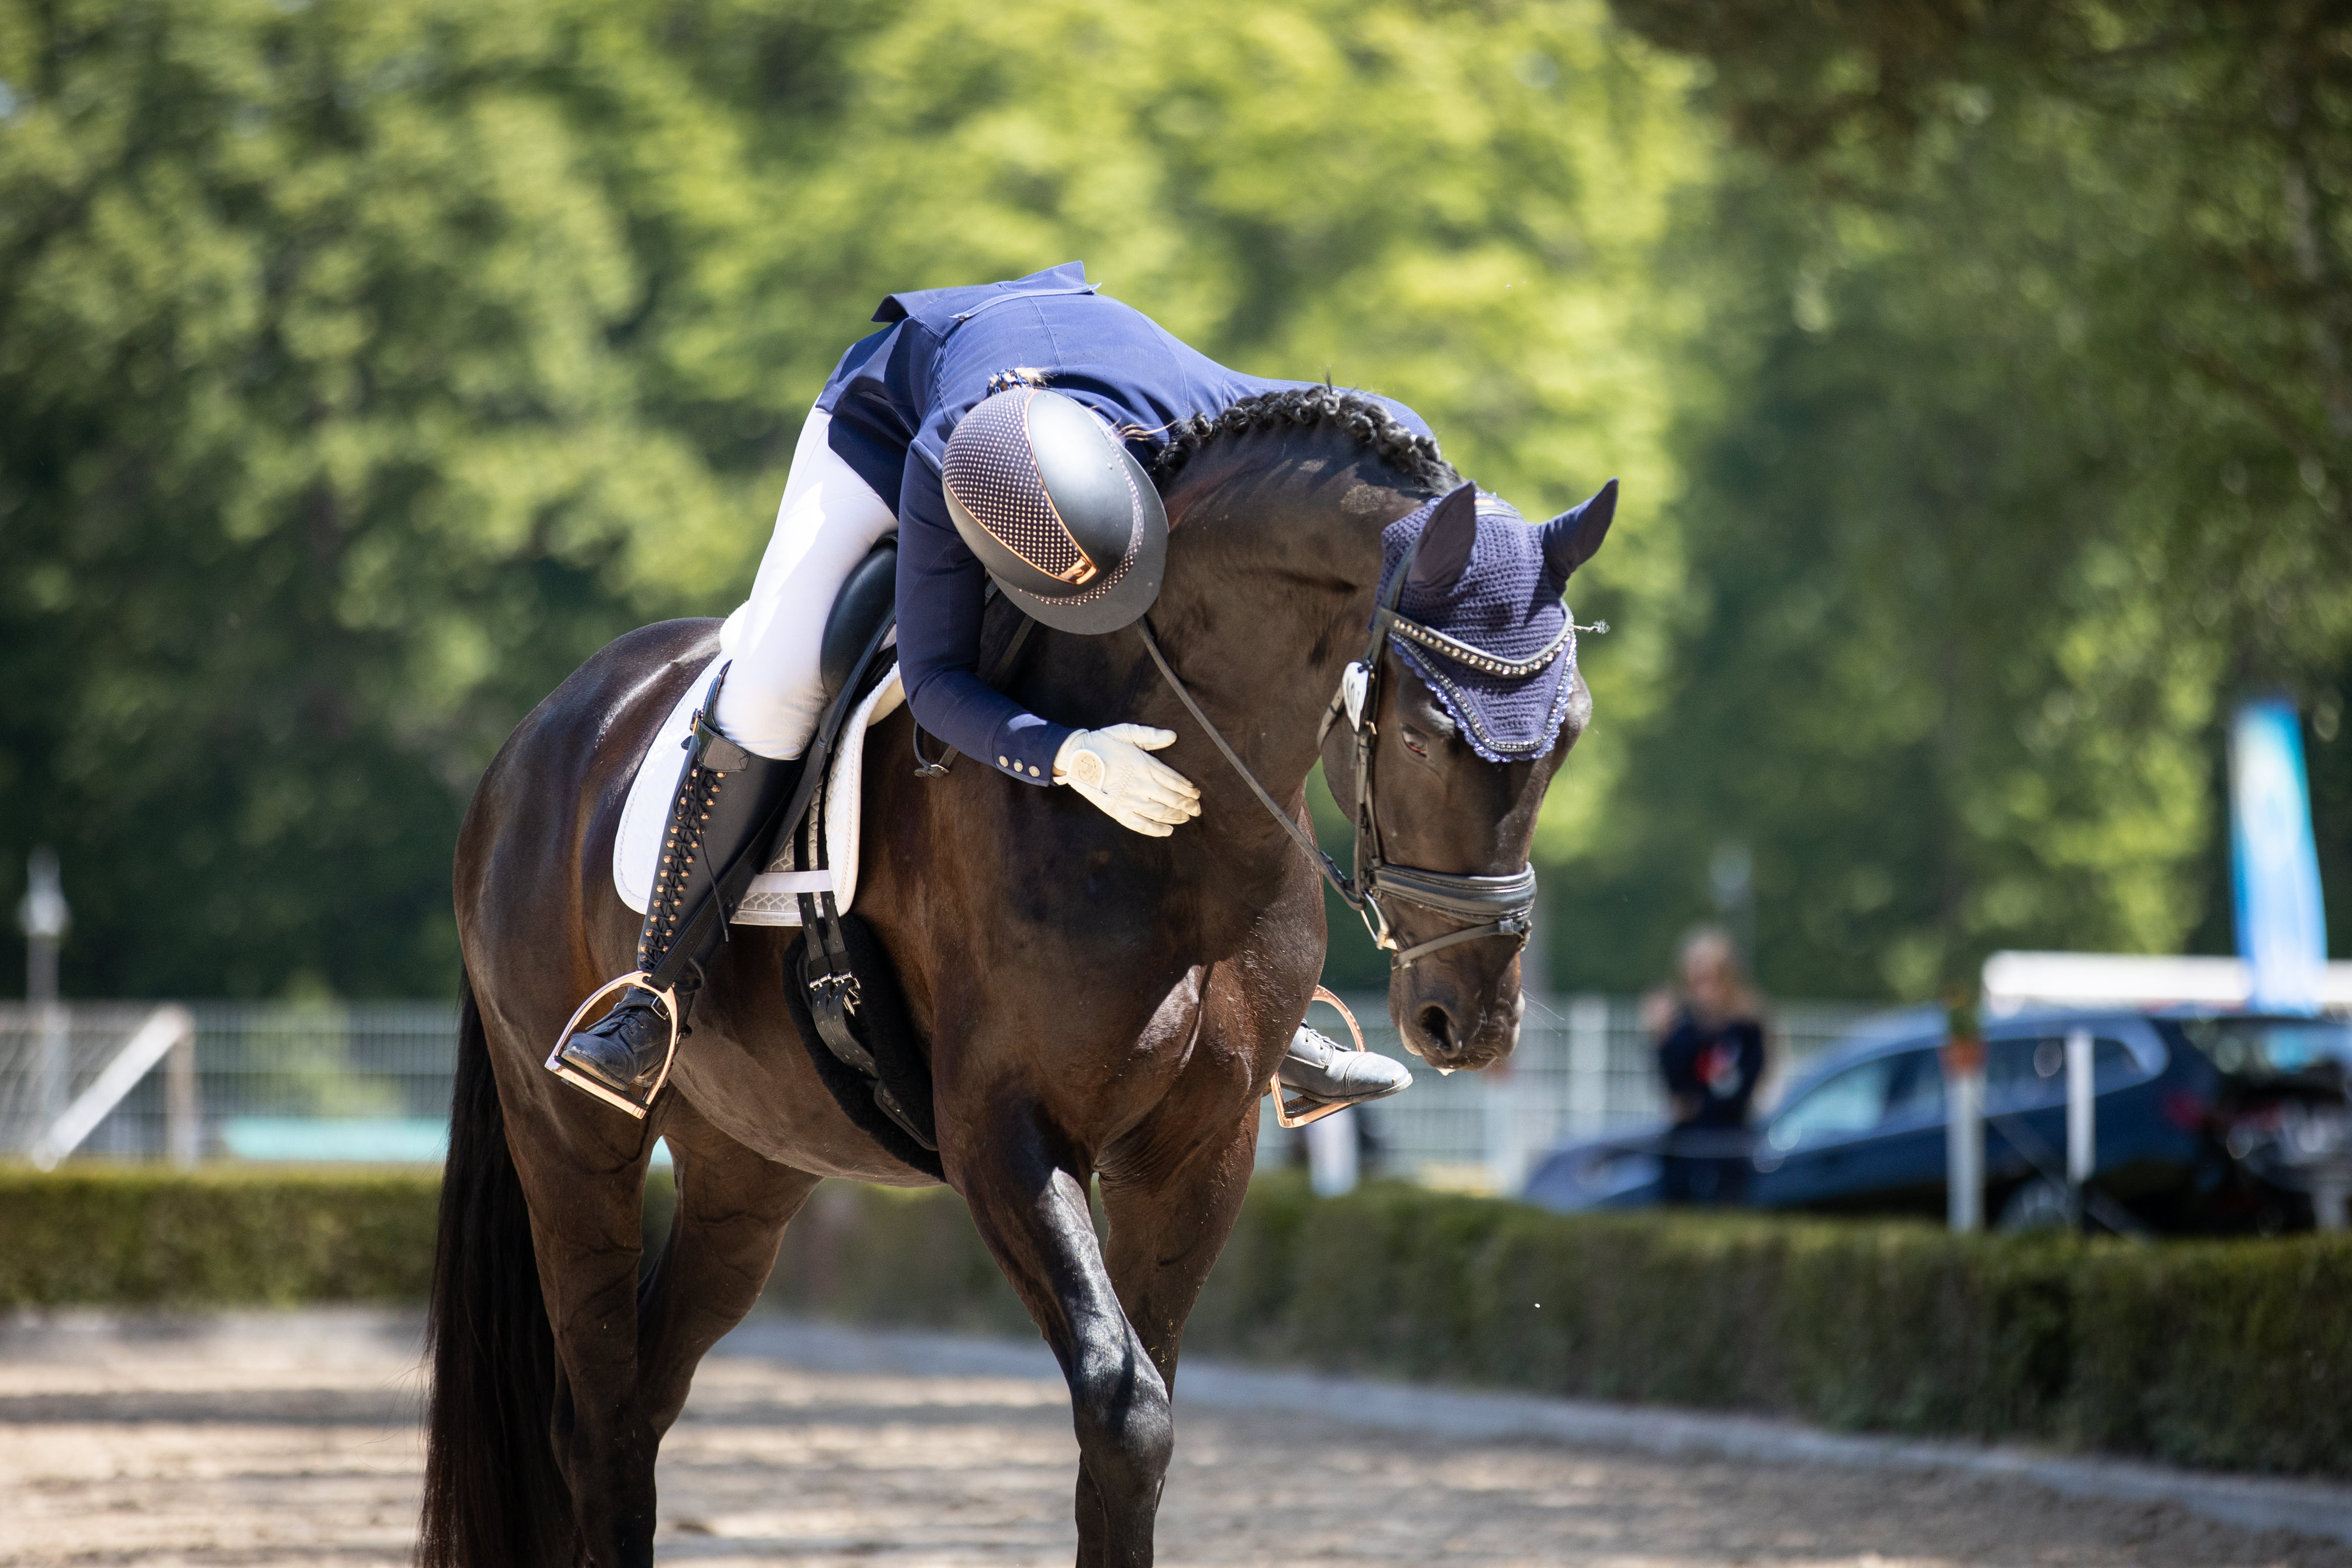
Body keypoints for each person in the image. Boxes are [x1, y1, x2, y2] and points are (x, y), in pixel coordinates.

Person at [553, 262, 1412, 1118]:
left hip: (1096, 409)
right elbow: (933, 682)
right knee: (780, 677)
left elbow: (1389, 432)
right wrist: (1065, 751)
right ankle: (655, 990)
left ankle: (1265, 1002)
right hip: (885, 419)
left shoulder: (1207, 420)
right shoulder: (935, 462)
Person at [1651, 926, 1766, 1204]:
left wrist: (1700, 1106)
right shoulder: (1681, 1029)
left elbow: (1745, 1087)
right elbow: (1675, 1089)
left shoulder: (1746, 1028)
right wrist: (1661, 1038)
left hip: (1729, 1145)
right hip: (1688, 1147)